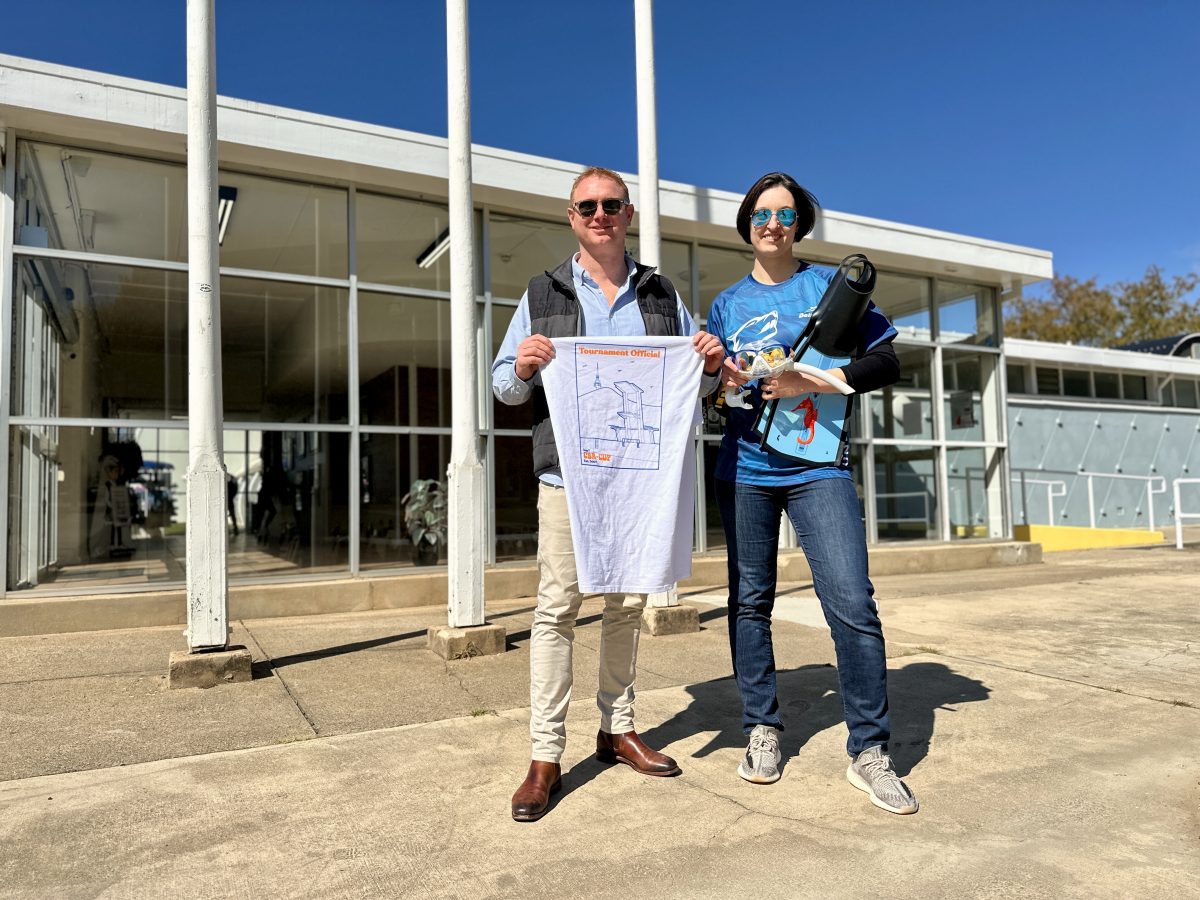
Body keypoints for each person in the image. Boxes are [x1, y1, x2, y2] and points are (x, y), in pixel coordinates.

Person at [492, 165, 724, 821]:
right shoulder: (541, 293)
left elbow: (695, 386)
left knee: (624, 607)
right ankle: (544, 755)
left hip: (639, 485)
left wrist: (708, 363)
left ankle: (616, 728)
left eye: (611, 204)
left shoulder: (660, 294)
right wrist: (524, 365)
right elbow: (503, 387)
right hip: (568, 480)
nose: (600, 214)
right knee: (557, 609)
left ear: (627, 214)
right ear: (572, 217)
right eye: (587, 205)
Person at [707, 172, 918, 815]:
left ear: (800, 224)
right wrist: (724, 378)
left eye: (785, 214)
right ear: (747, 224)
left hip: (818, 468)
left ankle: (870, 751)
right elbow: (722, 402)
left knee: (852, 601)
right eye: (762, 214)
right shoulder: (725, 304)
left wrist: (816, 382)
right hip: (744, 467)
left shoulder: (829, 290)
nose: (773, 224)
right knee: (749, 603)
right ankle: (763, 728)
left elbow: (886, 360)